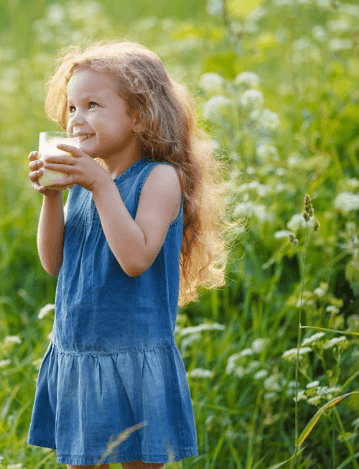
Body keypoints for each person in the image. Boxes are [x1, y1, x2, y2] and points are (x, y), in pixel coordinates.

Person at [27, 40, 239, 469]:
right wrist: (51, 198)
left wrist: (99, 186)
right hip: (80, 353)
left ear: (139, 115)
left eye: (92, 105)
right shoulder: (88, 184)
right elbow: (54, 264)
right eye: (71, 108)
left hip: (133, 358)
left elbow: (135, 258)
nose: (76, 120)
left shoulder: (158, 179)